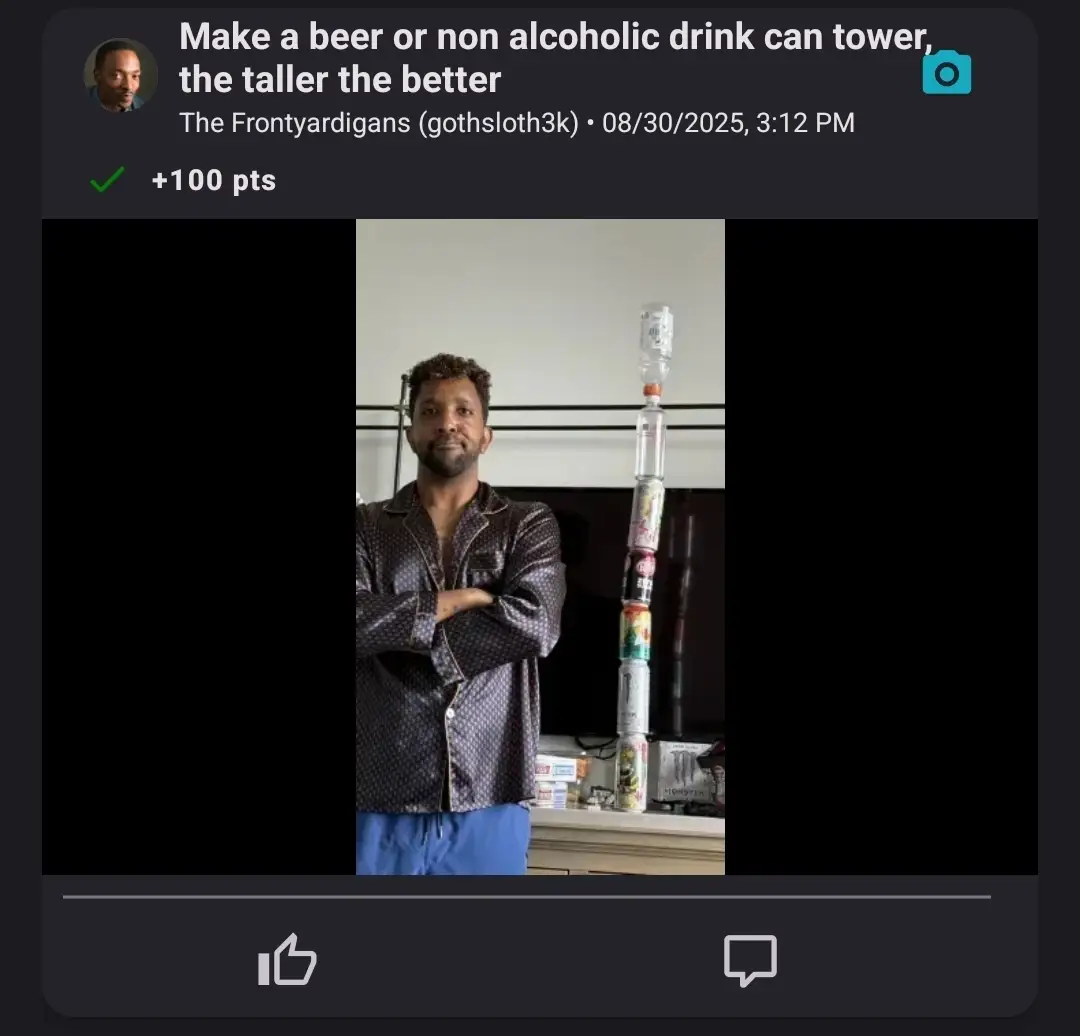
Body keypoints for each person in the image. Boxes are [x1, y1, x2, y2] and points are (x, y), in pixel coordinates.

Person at [355, 354, 566, 875]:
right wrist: (461, 600)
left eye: (463, 411)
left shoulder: (526, 524)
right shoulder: (365, 526)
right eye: (430, 410)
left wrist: (397, 627)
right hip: (379, 788)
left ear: (485, 433)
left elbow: (536, 622)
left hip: (490, 788)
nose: (447, 422)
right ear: (410, 432)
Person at [88, 40, 144, 112]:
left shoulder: (140, 105)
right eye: (116, 76)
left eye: (135, 76)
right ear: (97, 76)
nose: (128, 86)